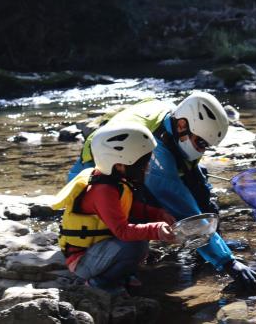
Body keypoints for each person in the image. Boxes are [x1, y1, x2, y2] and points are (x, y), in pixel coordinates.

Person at [69, 92, 256, 292]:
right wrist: (228, 263)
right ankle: (105, 277)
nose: (203, 150)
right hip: (96, 186)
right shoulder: (155, 151)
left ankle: (207, 249)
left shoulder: (173, 119)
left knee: (201, 189)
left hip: (125, 171)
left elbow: (195, 186)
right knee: (143, 236)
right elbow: (183, 208)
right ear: (181, 126)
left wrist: (211, 227)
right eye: (201, 144)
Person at [53, 122, 176, 296]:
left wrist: (159, 214)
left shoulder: (113, 180)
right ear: (119, 165)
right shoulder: (103, 190)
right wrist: (156, 230)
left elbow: (131, 209)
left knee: (142, 229)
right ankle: (99, 283)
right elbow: (122, 231)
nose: (147, 167)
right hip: (82, 260)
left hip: (98, 247)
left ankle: (121, 274)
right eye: (142, 163)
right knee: (136, 245)